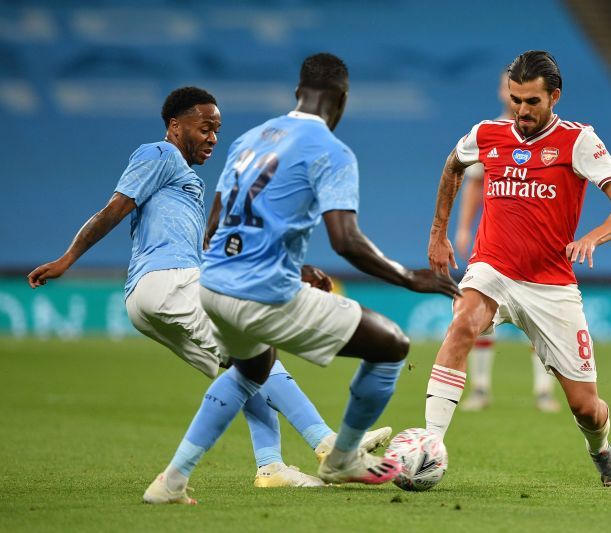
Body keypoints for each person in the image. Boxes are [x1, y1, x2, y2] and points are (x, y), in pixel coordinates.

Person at [26, 86, 390, 491]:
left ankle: (271, 468)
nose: (213, 139)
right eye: (205, 128)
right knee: (259, 351)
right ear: (175, 125)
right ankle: (328, 444)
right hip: (168, 280)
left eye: (217, 131)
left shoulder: (184, 182)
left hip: (150, 296)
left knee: (245, 369)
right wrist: (67, 259)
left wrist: (292, 266)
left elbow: (211, 246)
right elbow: (114, 209)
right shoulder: (158, 154)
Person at [143, 53, 460, 504]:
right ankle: (342, 456)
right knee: (391, 346)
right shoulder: (331, 151)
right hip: (261, 292)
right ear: (342, 99)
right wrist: (410, 277)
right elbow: (345, 240)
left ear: (297, 93)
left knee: (251, 371)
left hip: (212, 286)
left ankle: (171, 481)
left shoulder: (250, 140)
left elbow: (215, 227)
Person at [425, 51, 611, 487]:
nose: (522, 111)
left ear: (554, 97)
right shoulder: (487, 134)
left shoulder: (579, 141)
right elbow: (453, 165)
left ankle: (599, 449)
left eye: (532, 102)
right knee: (463, 324)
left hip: (551, 285)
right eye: (516, 99)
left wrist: (592, 237)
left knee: (586, 407)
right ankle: (429, 450)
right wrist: (439, 232)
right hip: (493, 268)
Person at [454, 71, 560, 413]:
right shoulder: (489, 133)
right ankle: (481, 389)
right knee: (479, 316)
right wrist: (463, 228)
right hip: (495, 244)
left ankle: (544, 390)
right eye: (506, 87)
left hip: (539, 247)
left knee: (542, 320)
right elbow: (472, 183)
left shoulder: (556, 134)